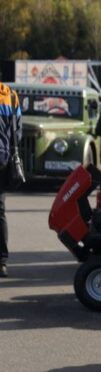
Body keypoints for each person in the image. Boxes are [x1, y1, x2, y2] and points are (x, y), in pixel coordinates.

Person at [0, 79, 22, 278]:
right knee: (0, 212)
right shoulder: (10, 95)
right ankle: (1, 262)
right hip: (3, 159)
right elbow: (18, 131)